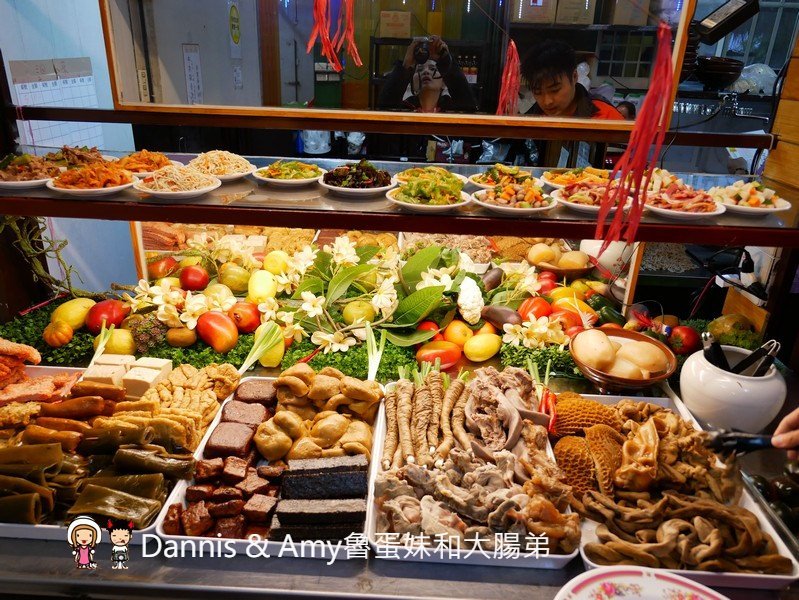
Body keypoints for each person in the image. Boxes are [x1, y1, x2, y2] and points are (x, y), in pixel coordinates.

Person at [521, 40, 623, 120]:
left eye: (555, 90)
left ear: (574, 77)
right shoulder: (530, 121)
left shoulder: (606, 117)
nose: (548, 101)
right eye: (538, 92)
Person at [377, 36, 476, 113]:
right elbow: (383, 110)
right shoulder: (404, 110)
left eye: (433, 68)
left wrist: (446, 62)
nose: (426, 71)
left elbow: (469, 108)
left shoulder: (451, 110)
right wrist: (406, 66)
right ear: (411, 82)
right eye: (419, 69)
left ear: (444, 82)